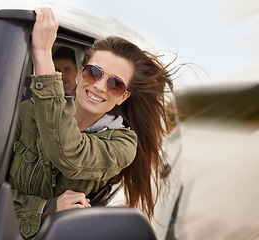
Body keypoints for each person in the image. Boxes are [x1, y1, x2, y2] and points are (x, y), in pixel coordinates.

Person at [9, 7, 174, 239]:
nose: (99, 86)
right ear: (79, 74)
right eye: (93, 72)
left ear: (123, 97)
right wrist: (45, 209)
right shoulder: (27, 112)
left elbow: (68, 152)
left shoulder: (123, 144)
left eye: (115, 84)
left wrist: (43, 52)